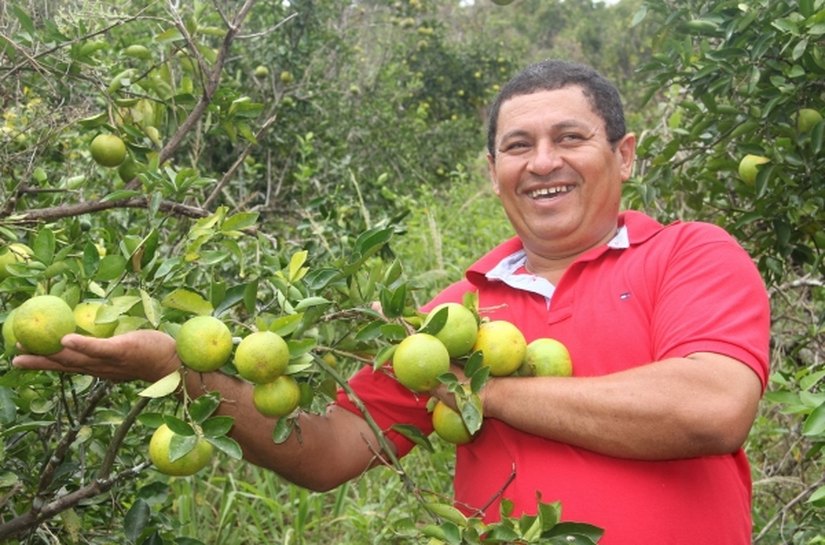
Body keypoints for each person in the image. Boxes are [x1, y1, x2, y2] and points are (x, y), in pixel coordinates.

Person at [13, 60, 770, 544]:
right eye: (517, 146)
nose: (542, 162)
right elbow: (332, 450)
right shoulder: (449, 317)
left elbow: (707, 406)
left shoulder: (689, 253)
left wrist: (487, 392)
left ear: (624, 154)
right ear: (491, 170)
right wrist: (182, 365)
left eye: (570, 137)